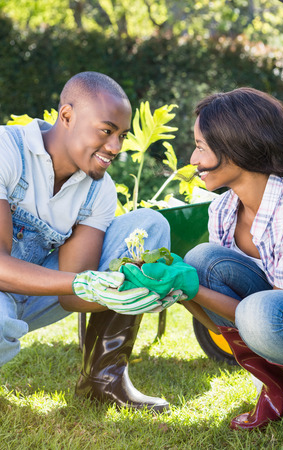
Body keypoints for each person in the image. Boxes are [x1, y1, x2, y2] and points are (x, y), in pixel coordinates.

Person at [0, 71, 197, 413]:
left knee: (150, 223)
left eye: (121, 135)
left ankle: (102, 380)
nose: (115, 147)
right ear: (67, 116)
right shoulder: (7, 150)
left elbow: (71, 297)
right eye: (107, 131)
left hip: (34, 294)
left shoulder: (97, 188)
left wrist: (136, 293)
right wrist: (85, 283)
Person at [181, 87, 283, 430]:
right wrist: (181, 288)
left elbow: (276, 315)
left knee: (259, 312)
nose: (193, 158)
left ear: (236, 150)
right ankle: (275, 383)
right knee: (201, 259)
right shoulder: (222, 210)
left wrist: (191, 290)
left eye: (201, 146)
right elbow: (228, 319)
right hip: (273, 316)